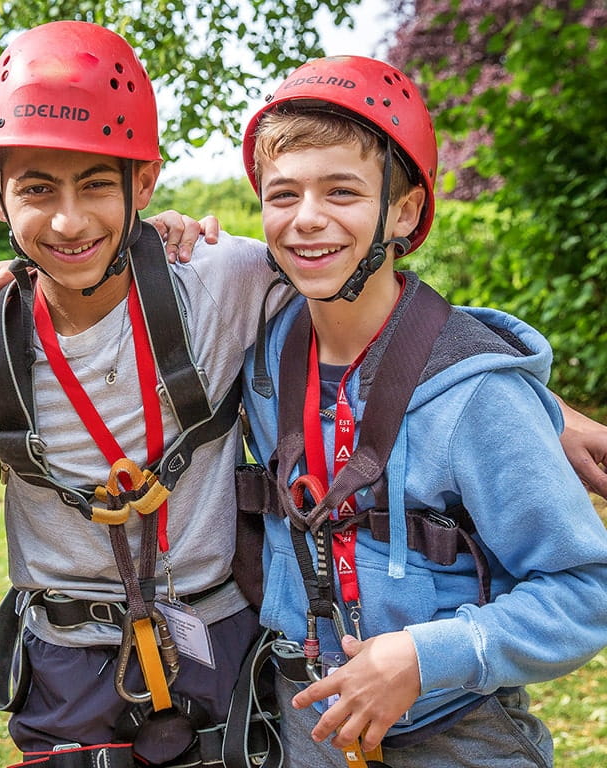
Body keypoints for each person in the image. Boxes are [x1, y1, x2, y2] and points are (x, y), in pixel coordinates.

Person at [0, 20, 293, 767]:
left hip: (215, 635)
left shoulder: (221, 280)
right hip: (65, 663)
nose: (68, 219)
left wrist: (535, 400)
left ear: (143, 183)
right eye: (36, 189)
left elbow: (362, 302)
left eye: (96, 184)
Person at [237, 55, 607, 767]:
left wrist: (425, 655)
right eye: (283, 194)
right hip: (303, 727)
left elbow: (585, 589)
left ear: (404, 212)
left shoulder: (477, 394)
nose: (306, 218)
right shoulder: (259, 356)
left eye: (342, 191)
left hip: (456, 737)